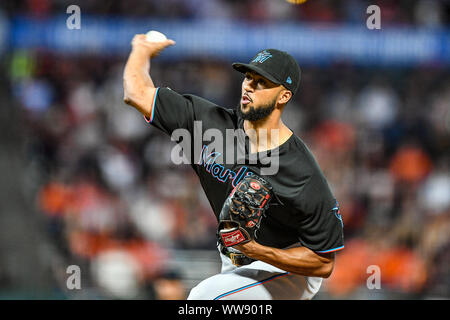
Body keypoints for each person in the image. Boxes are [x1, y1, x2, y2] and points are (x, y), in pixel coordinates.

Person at [123, 34, 344, 300]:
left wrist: (255, 250)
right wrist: (141, 50)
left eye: (262, 82)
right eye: (248, 77)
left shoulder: (301, 171)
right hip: (238, 264)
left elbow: (323, 262)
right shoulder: (207, 124)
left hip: (288, 271)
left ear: (283, 96)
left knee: (204, 297)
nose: (250, 86)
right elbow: (136, 93)